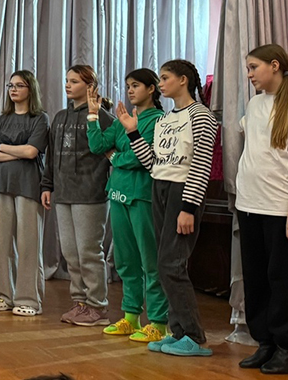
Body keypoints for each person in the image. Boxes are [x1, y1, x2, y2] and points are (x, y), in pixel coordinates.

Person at [119, 59, 217, 357]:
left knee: (172, 265)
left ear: (183, 80)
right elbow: (152, 163)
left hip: (182, 192)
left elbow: (201, 164)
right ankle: (178, 332)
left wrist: (188, 206)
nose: (160, 84)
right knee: (163, 264)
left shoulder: (201, 116)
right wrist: (133, 132)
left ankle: (194, 335)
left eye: (165, 78)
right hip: (159, 187)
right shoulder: (165, 119)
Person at [86, 68, 168, 343]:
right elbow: (98, 145)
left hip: (142, 196)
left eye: (136, 85)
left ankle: (158, 322)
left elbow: (138, 158)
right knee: (125, 260)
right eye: (128, 86)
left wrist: (115, 158)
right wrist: (93, 115)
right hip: (118, 194)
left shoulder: (158, 120)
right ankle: (131, 317)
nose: (130, 90)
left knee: (150, 261)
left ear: (151, 89)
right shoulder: (123, 119)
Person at [41, 65, 113, 327]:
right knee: (70, 253)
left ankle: (98, 306)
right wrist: (47, 185)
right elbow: (51, 156)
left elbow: (111, 153)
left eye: (74, 81)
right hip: (63, 194)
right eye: (66, 80)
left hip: (90, 194)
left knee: (89, 252)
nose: (67, 85)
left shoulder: (103, 117)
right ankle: (80, 302)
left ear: (90, 86)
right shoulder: (60, 117)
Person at [234, 44, 288, 373]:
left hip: (278, 207)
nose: (250, 74)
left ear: (275, 65)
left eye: (254, 67)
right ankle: (264, 342)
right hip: (249, 204)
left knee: (280, 278)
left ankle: (284, 345)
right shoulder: (255, 104)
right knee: (255, 278)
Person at [0, 70, 50, 317]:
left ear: (30, 89)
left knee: (28, 244)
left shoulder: (40, 118)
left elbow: (32, 152)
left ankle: (29, 300)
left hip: (28, 185)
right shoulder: (2, 119)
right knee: (2, 243)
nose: (13, 89)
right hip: (1, 184)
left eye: (19, 85)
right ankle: (5, 295)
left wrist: (3, 147)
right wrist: (17, 151)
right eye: (11, 85)